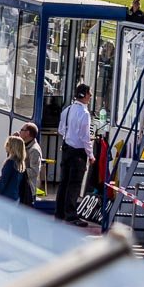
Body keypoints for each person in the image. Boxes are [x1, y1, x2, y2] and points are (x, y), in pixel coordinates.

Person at [55, 84, 95, 226]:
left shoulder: (67, 110)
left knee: (64, 183)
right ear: (84, 95)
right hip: (78, 152)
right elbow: (85, 137)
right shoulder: (84, 114)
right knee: (74, 184)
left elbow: (61, 129)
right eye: (89, 94)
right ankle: (71, 215)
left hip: (66, 149)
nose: (90, 97)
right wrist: (91, 155)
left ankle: (59, 213)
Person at [0, 136, 27, 202]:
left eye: (8, 144)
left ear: (13, 147)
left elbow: (3, 181)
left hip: (5, 198)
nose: (6, 145)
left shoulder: (10, 162)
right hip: (14, 197)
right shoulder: (21, 163)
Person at [19, 122, 42, 205]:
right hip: (22, 186)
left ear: (27, 133)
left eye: (22, 130)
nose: (19, 132)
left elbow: (34, 171)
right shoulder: (24, 144)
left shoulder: (34, 150)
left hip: (27, 189)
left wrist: (19, 170)